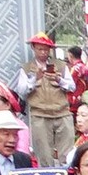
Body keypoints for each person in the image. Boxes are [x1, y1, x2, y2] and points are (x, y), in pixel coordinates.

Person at [13, 33, 76, 165]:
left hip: (62, 113)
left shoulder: (60, 66)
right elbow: (21, 90)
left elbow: (72, 87)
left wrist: (59, 80)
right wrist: (35, 78)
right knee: (44, 155)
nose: (43, 52)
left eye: (46, 49)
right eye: (40, 49)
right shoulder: (26, 68)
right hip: (40, 115)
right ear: (33, 48)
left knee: (67, 154)